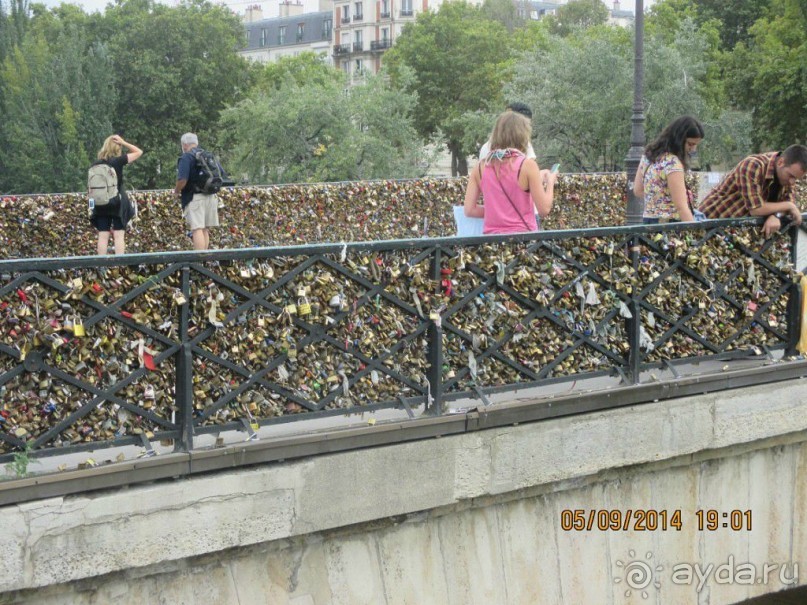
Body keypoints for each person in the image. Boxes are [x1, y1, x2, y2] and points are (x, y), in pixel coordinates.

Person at [464, 111, 555, 234]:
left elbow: (469, 210)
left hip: (492, 241)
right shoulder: (527, 165)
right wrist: (550, 182)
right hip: (523, 242)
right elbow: (544, 210)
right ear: (523, 135)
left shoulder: (480, 167)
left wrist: (497, 212)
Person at [699, 145, 807, 237]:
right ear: (780, 162)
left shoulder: (787, 177)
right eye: (791, 176)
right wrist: (788, 206)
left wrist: (775, 216)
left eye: (796, 179)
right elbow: (756, 208)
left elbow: (788, 201)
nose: (792, 182)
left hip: (732, 234)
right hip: (707, 227)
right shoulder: (753, 165)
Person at [633, 116, 704, 223]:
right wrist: (695, 232)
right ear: (679, 139)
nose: (693, 149)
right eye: (690, 144)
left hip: (648, 222)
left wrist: (660, 198)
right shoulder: (672, 163)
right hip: (670, 225)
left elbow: (637, 190)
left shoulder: (647, 157)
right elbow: (681, 207)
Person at [90, 134, 143, 255]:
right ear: (117, 148)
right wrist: (124, 142)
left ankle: (101, 266)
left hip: (100, 202)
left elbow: (91, 188)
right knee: (119, 234)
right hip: (117, 201)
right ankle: (119, 265)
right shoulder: (118, 161)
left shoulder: (95, 164)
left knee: (103, 235)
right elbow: (139, 152)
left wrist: (91, 205)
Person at [174, 133, 220, 250]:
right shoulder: (207, 155)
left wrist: (176, 191)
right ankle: (204, 259)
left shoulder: (186, 157)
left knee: (197, 229)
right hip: (210, 196)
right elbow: (221, 174)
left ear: (184, 145)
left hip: (194, 198)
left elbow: (182, 180)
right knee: (204, 229)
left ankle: (198, 260)